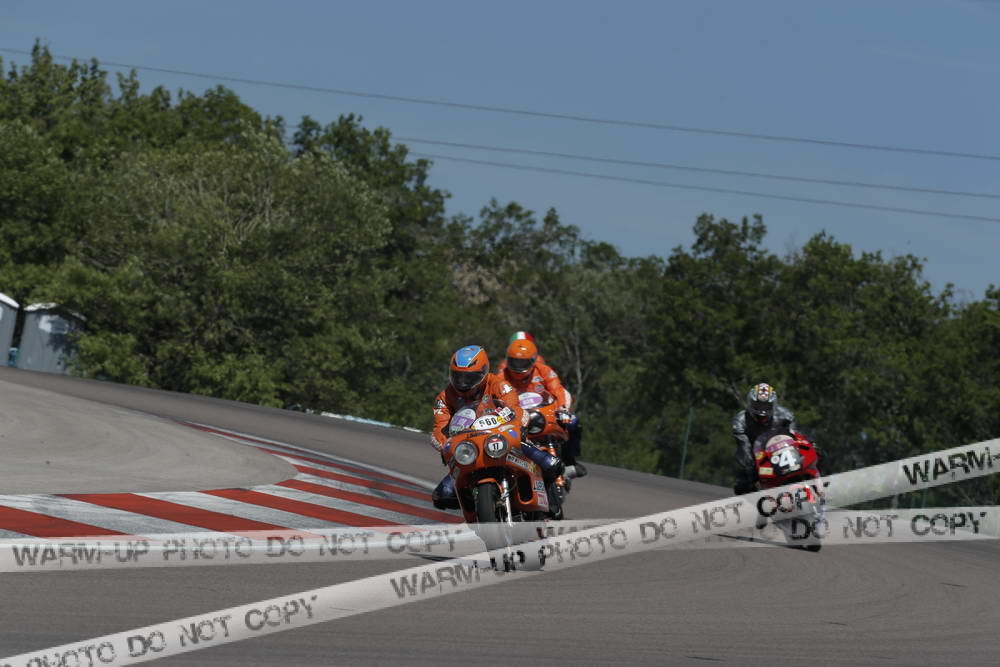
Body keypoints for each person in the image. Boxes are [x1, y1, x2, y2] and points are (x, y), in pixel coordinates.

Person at [430, 344, 565, 514]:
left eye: (470, 377)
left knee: (551, 464)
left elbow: (515, 407)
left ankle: (551, 498)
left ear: (483, 372)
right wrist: (444, 444)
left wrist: (519, 423)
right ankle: (476, 505)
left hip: (500, 437)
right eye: (458, 376)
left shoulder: (499, 384)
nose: (463, 383)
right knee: (441, 495)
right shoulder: (444, 398)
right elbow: (440, 427)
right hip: (469, 447)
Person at [497, 335, 587, 478]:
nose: (518, 367)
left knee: (573, 422)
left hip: (544, 413)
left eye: (523, 363)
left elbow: (558, 389)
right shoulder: (501, 377)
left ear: (533, 361)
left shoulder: (544, 370)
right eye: (515, 362)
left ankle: (569, 461)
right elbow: (494, 399)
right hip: (518, 418)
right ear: (508, 360)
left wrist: (563, 409)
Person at [732, 382, 798, 494]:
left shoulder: (786, 415)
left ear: (773, 404)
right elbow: (743, 446)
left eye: (766, 405)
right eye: (758, 405)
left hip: (783, 451)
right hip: (756, 456)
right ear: (750, 403)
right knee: (741, 486)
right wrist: (751, 466)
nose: (762, 410)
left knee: (817, 452)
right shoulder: (740, 420)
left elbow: (795, 435)